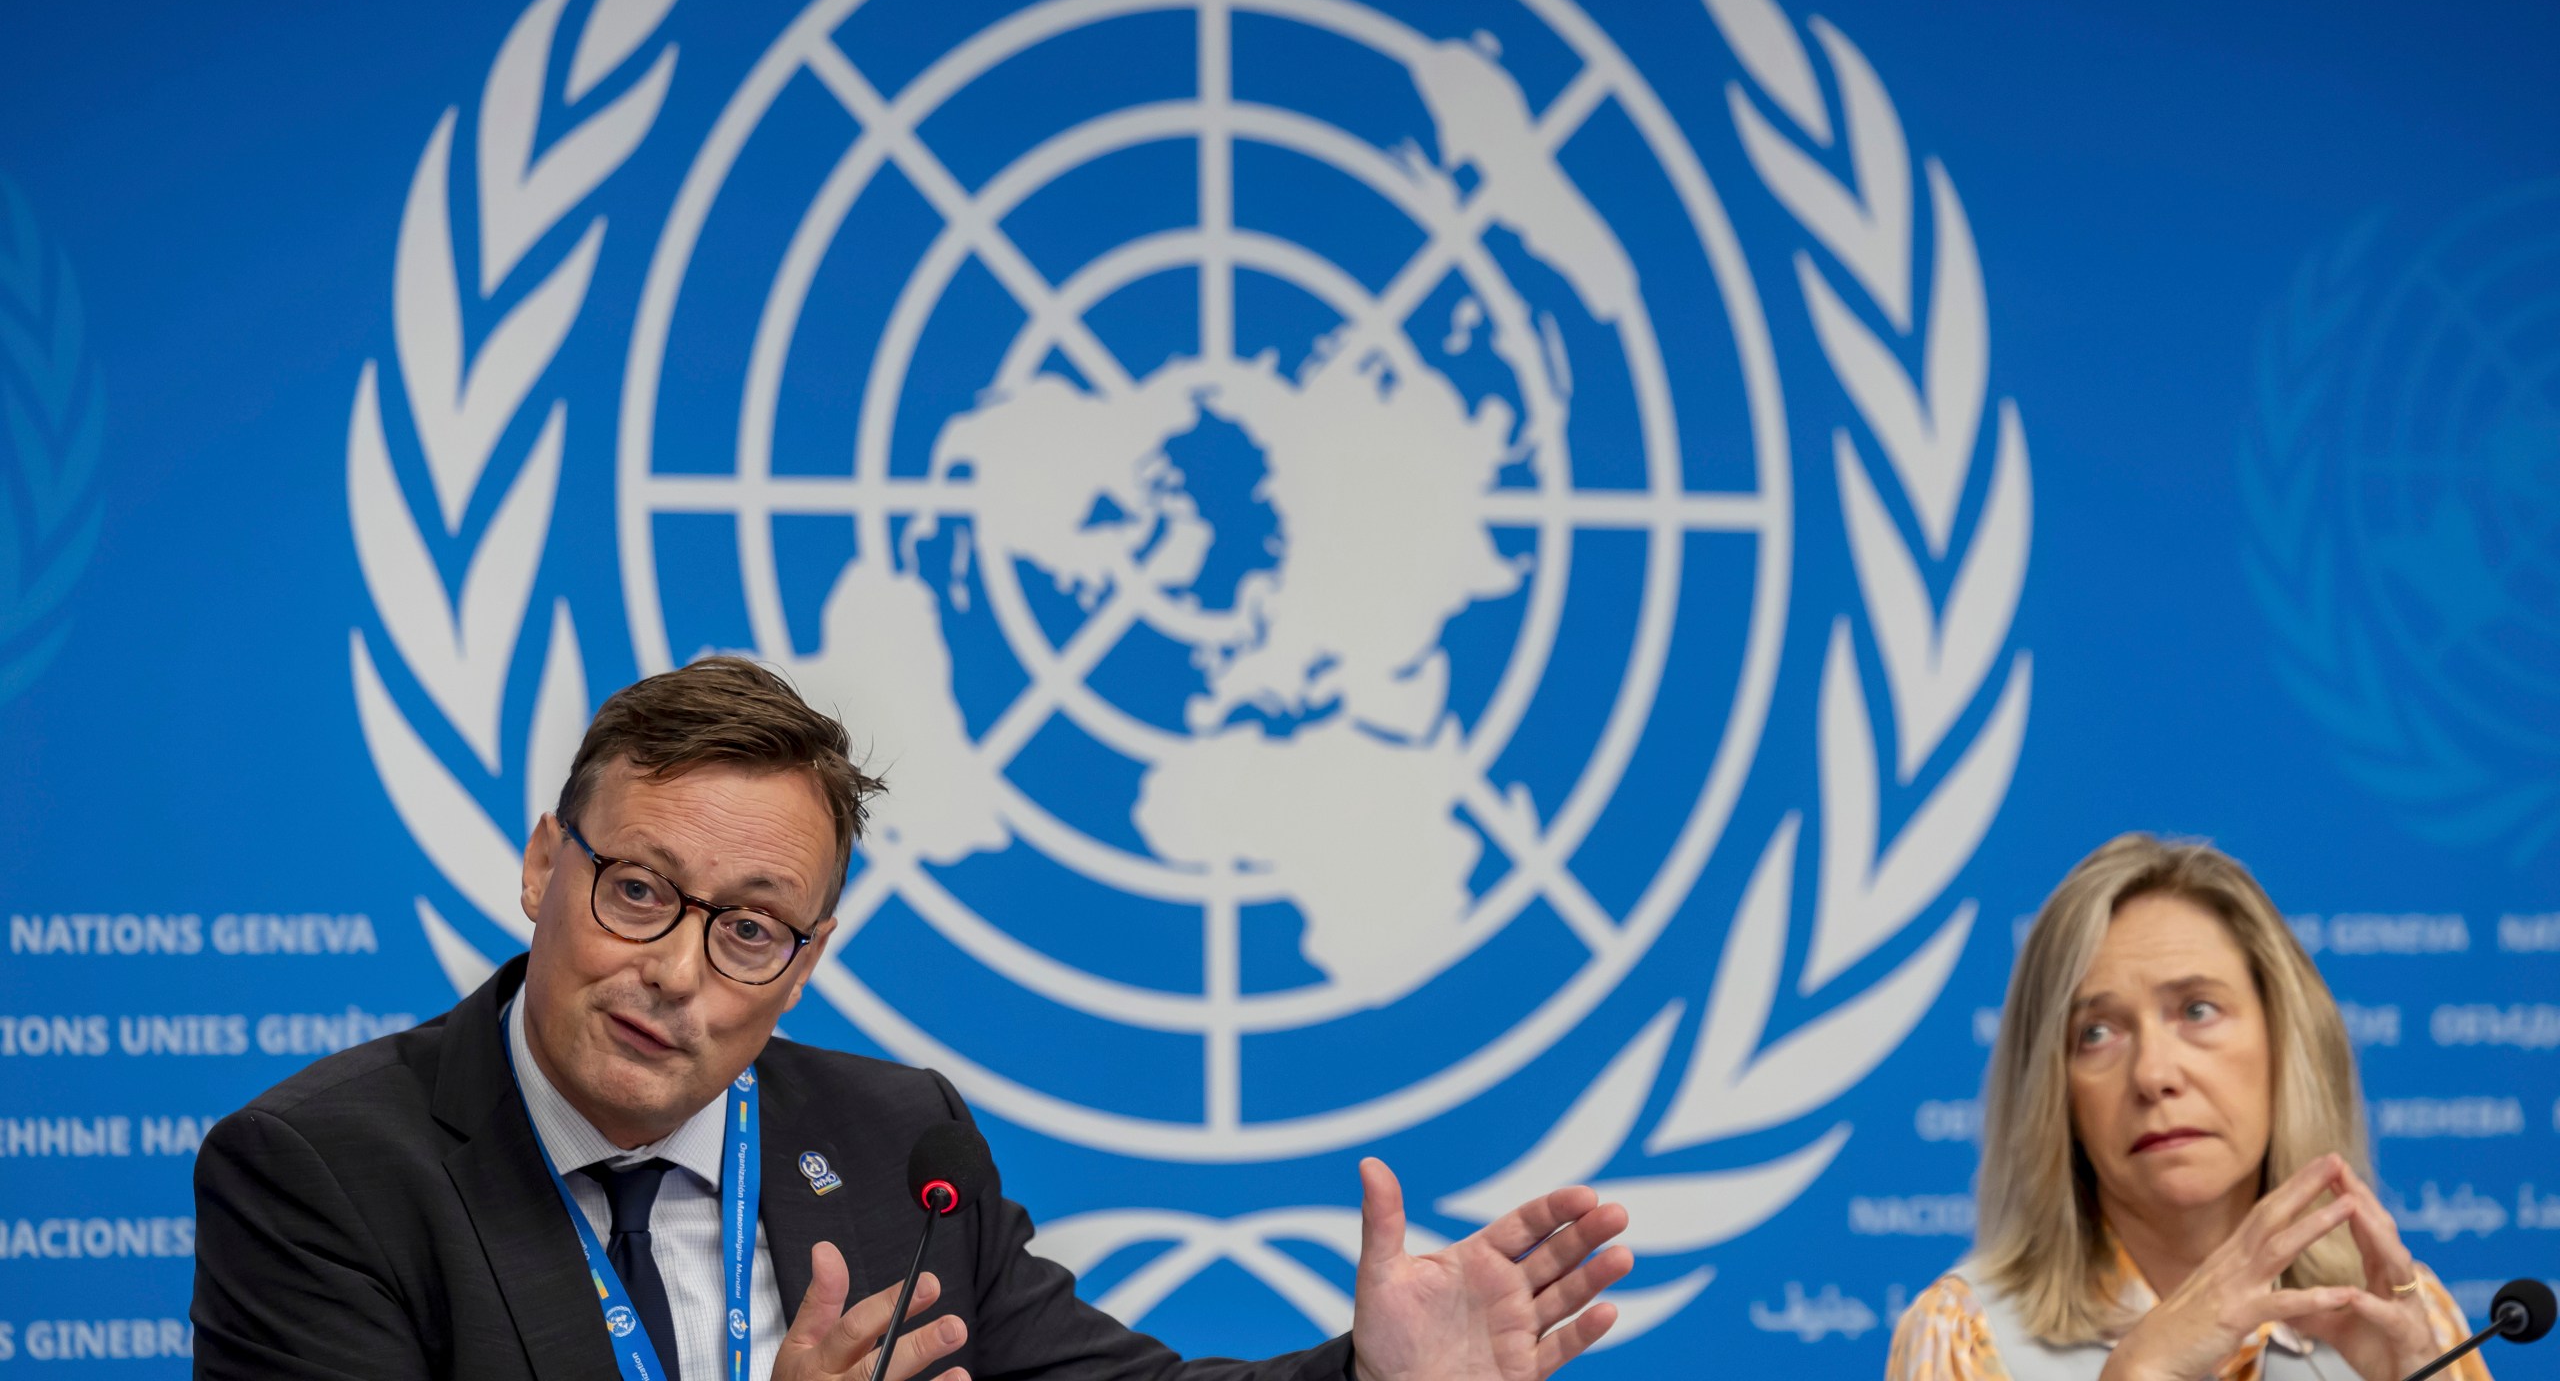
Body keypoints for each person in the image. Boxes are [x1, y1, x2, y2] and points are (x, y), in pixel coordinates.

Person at [193, 657, 1632, 1381]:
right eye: (638, 890)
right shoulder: (325, 1172)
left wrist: (1375, 1374)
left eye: (748, 929)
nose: (678, 972)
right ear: (540, 865)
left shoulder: (889, 1143)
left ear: (806, 961)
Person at [1886, 835, 2486, 1381]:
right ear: (2055, 1095)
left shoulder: (2399, 1310)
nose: (2152, 1075)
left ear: (2286, 1041)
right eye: (2096, 1033)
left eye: (2197, 1011)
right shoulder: (1966, 1333)